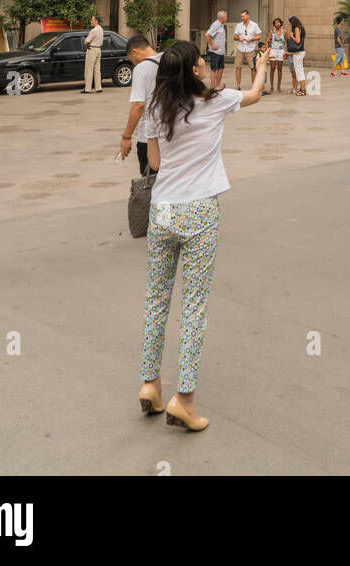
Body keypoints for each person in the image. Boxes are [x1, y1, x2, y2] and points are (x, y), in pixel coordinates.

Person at [137, 40, 268, 430]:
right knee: (192, 307)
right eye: (200, 62)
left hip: (162, 211)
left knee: (156, 300)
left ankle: (150, 384)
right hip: (200, 211)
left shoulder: (155, 108)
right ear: (195, 70)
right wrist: (260, 64)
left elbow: (155, 162)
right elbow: (256, 95)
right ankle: (186, 400)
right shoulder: (218, 99)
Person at [120, 34, 161, 174]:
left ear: (135, 52)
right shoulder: (169, 60)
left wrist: (126, 137)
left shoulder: (141, 69)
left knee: (150, 185)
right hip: (172, 134)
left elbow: (138, 105)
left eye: (132, 61)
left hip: (149, 137)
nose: (134, 64)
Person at [233, 9, 261, 87]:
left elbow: (259, 36)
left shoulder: (254, 25)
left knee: (253, 68)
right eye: (241, 16)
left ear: (248, 16)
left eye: (243, 16)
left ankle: (254, 85)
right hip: (240, 48)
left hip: (250, 49)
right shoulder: (239, 25)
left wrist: (252, 39)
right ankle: (238, 85)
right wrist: (239, 38)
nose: (242, 18)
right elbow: (235, 36)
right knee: (238, 67)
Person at [205, 10, 228, 89]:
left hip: (221, 51)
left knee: (221, 68)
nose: (227, 18)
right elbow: (207, 35)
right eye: (226, 17)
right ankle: (213, 86)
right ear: (222, 18)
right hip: (215, 51)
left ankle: (218, 86)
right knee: (214, 69)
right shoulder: (216, 25)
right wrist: (212, 45)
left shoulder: (221, 25)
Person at [82, 13, 104, 94]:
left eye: (92, 20)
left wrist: (86, 42)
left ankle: (87, 88)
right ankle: (99, 88)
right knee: (97, 69)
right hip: (99, 50)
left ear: (96, 21)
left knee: (89, 69)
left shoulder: (93, 30)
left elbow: (86, 42)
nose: (91, 21)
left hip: (92, 50)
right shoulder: (101, 29)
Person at [285, 16, 306, 97]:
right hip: (301, 51)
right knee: (299, 70)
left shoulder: (296, 28)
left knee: (299, 71)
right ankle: (302, 89)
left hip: (298, 52)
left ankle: (303, 90)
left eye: (290, 22)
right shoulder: (302, 28)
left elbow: (297, 40)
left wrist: (291, 36)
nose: (290, 24)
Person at [266, 18, 286, 95]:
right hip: (273, 51)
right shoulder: (272, 32)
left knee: (280, 69)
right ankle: (271, 87)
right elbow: (267, 41)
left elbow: (287, 41)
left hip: (281, 51)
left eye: (278, 22)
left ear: (281, 23)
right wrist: (268, 51)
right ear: (274, 24)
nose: (277, 24)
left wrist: (286, 52)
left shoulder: (284, 32)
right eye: (275, 23)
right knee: (272, 68)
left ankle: (278, 86)